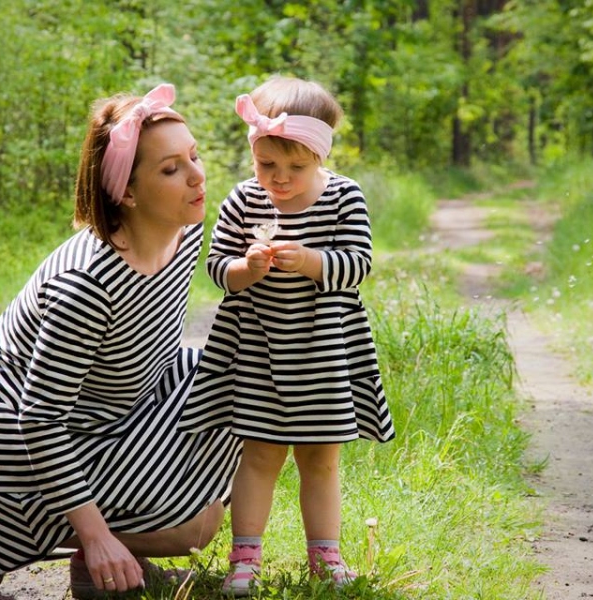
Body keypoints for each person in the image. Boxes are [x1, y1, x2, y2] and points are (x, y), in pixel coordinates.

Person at [0, 83, 242, 600]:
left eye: (194, 156)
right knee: (192, 525)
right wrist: (96, 535)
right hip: (5, 435)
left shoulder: (181, 233)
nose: (198, 176)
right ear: (127, 194)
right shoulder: (88, 285)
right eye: (170, 169)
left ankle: (108, 563)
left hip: (109, 406)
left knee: (239, 386)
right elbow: (39, 418)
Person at [178, 75, 395, 596]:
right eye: (266, 164)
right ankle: (245, 560)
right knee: (259, 453)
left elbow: (359, 264)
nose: (278, 178)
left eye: (295, 167)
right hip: (256, 349)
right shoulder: (242, 201)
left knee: (320, 457)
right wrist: (246, 270)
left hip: (323, 350)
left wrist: (314, 261)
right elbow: (216, 269)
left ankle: (326, 557)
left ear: (319, 158)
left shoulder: (344, 197)